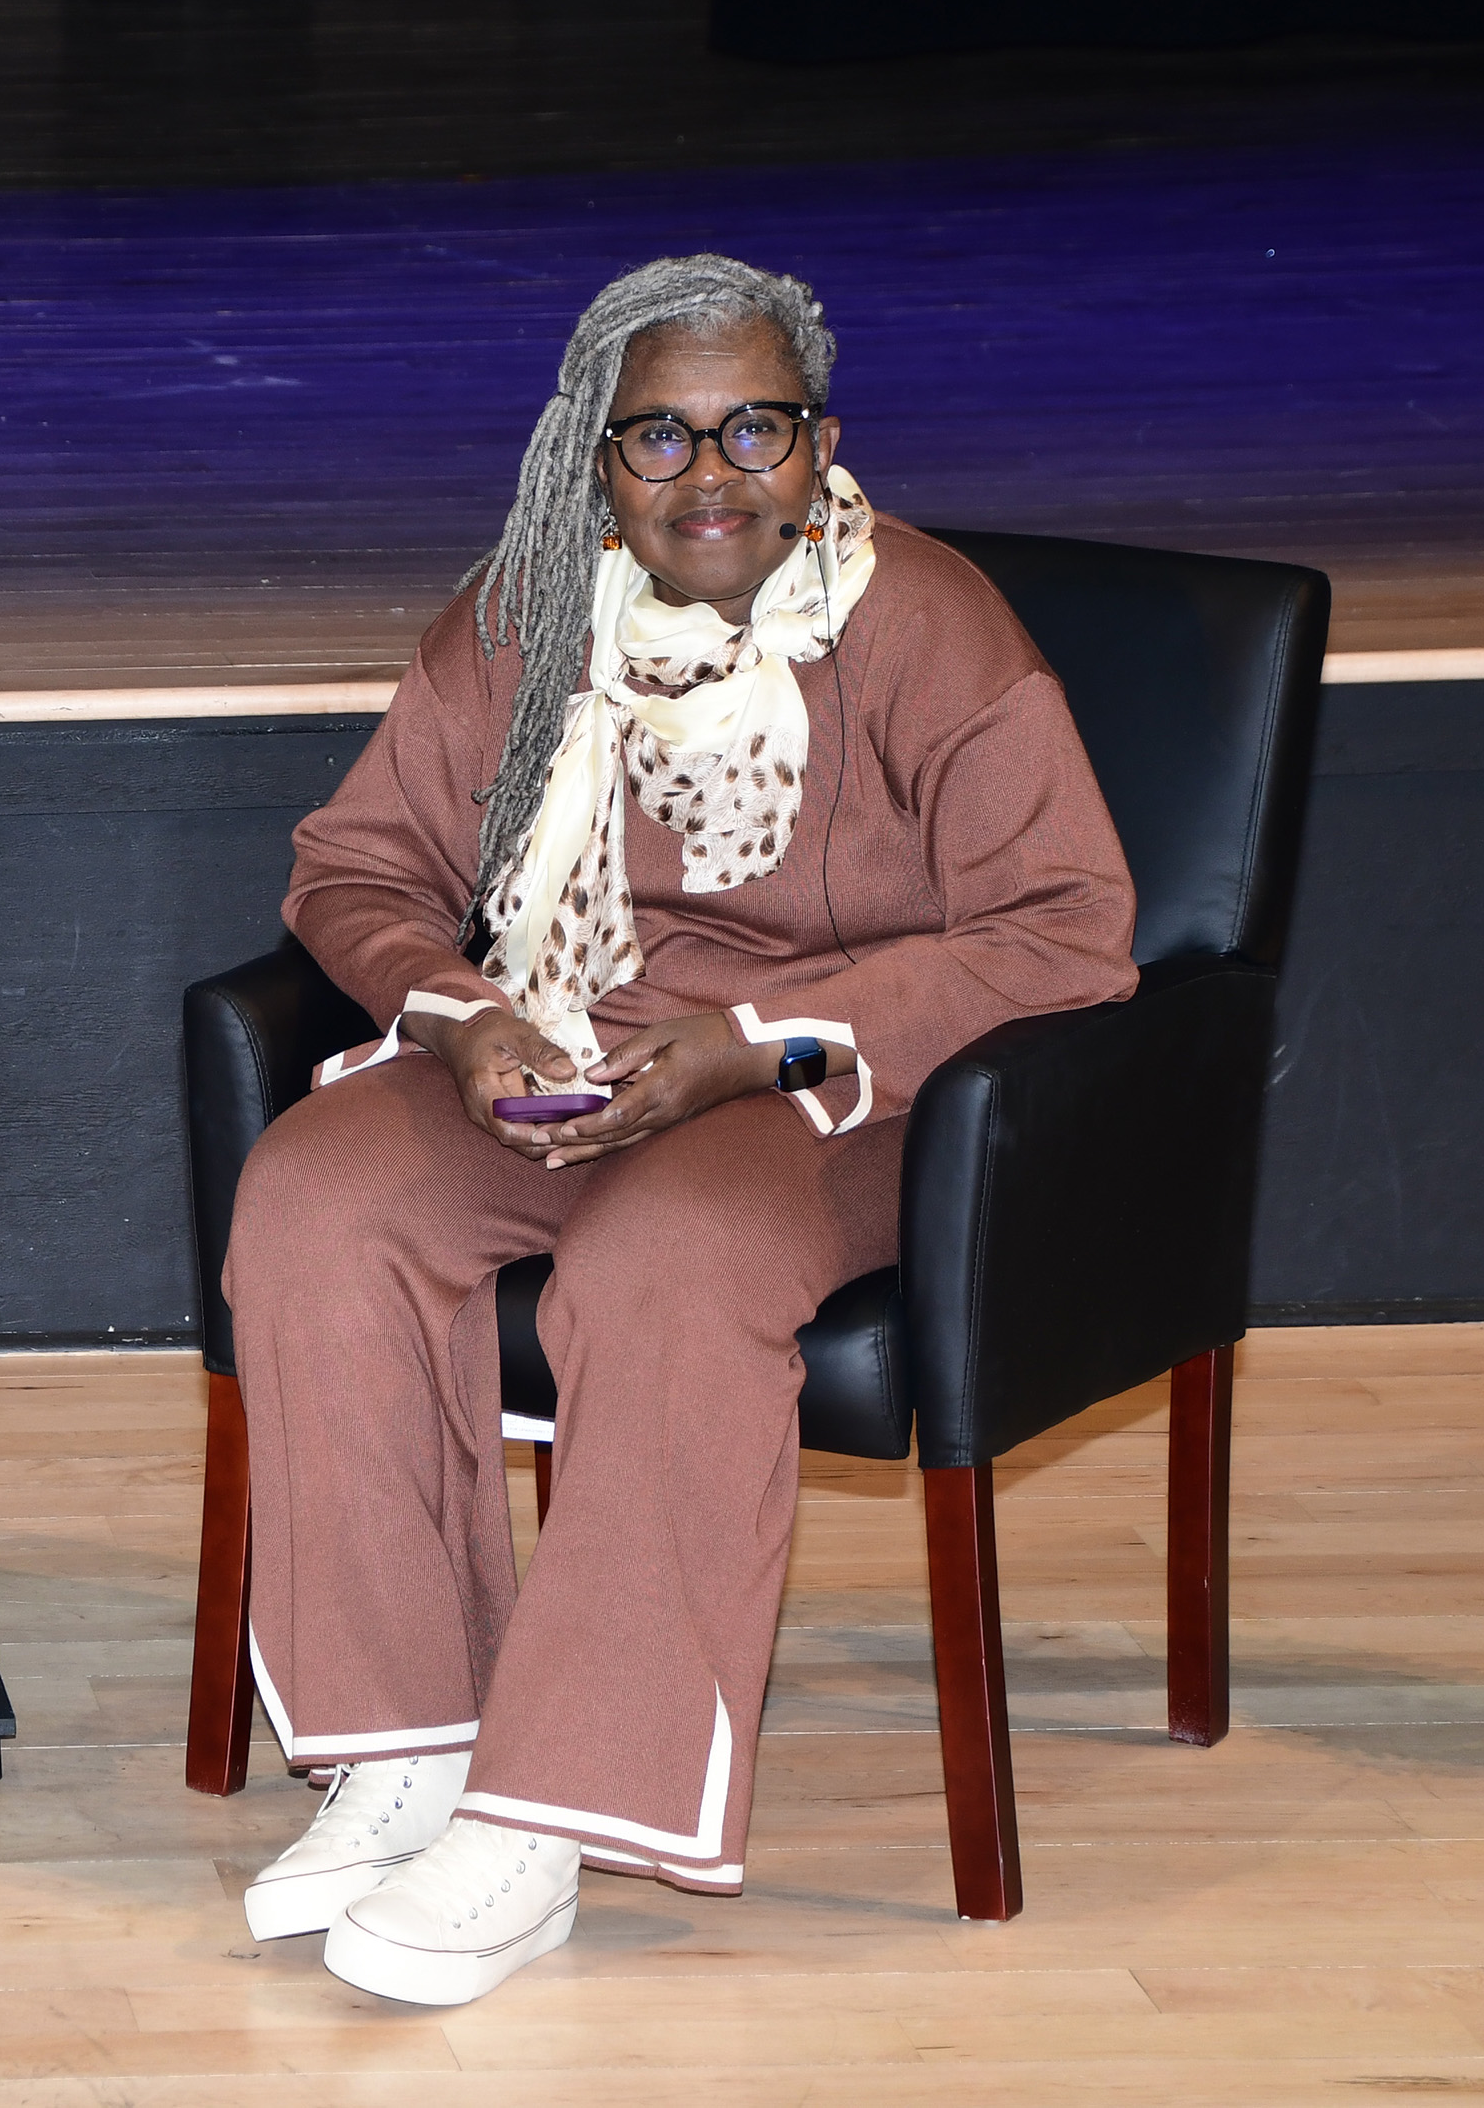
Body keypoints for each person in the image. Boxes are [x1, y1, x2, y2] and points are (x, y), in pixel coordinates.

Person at [222, 254, 1136, 2006]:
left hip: (838, 1088)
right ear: (592, 457)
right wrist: (469, 1013)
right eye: (661, 435)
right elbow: (352, 867)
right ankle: (412, 1747)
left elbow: (1064, 928)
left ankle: (548, 1819)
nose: (713, 476)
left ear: (821, 442)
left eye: (755, 428)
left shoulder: (926, 625)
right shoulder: (524, 613)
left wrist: (761, 1041)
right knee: (318, 1194)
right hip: (566, 1051)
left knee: (668, 1254)